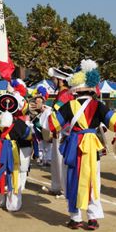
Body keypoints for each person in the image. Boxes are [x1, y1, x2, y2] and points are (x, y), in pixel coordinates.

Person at [41, 60, 116, 230]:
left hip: (74, 146)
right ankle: (92, 218)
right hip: (93, 147)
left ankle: (75, 217)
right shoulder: (99, 105)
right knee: (93, 180)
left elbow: (52, 125)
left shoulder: (69, 105)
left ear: (75, 90)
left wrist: (48, 112)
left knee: (72, 179)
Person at [0, 93, 33, 212]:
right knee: (14, 175)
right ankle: (13, 204)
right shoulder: (18, 123)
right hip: (12, 150)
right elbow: (28, 136)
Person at [44, 67, 75, 196]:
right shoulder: (62, 93)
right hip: (58, 130)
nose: (52, 81)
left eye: (54, 79)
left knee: (62, 161)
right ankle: (57, 186)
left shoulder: (65, 94)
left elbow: (58, 113)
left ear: (61, 80)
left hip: (63, 131)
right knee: (56, 161)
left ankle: (64, 189)